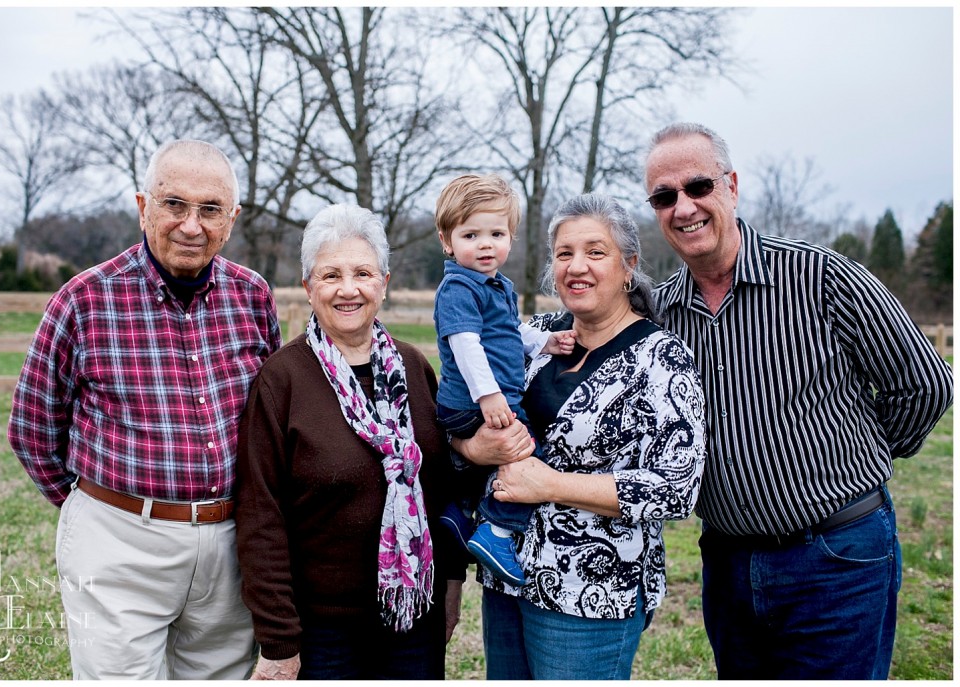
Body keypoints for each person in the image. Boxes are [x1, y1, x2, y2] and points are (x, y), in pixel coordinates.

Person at [643, 121, 954, 679]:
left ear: (731, 186)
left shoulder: (822, 276)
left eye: (698, 187)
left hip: (837, 558)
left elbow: (925, 383)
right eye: (664, 197)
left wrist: (861, 457)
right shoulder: (662, 314)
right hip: (728, 564)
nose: (683, 207)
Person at [7, 139, 282, 679]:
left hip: (230, 544)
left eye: (210, 209)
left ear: (233, 219)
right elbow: (32, 430)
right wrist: (100, 513)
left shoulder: (253, 296)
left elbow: (271, 416)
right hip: (119, 540)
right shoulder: (85, 299)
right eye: (174, 203)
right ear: (142, 206)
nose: (191, 225)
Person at [453, 193, 707, 680]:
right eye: (564, 253)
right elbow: (465, 405)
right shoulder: (535, 336)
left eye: (595, 252)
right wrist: (470, 447)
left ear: (629, 265)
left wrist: (549, 485)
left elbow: (676, 487)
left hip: (590, 592)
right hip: (507, 578)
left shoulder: (661, 359)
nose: (577, 267)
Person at [235, 203, 468, 680]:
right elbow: (261, 515)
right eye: (330, 275)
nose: (348, 289)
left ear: (383, 281)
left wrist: (450, 584)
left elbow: (442, 489)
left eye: (362, 272)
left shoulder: (415, 370)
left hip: (414, 616)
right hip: (322, 631)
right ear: (307, 287)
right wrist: (279, 639)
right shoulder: (283, 380)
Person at [432, 173, 574, 586]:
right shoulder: (459, 286)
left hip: (485, 401)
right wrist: (490, 396)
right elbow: (466, 345)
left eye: (496, 233)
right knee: (530, 456)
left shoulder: (498, 286)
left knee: (491, 465)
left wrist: (545, 341)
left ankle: (456, 514)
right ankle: (496, 532)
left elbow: (510, 330)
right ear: (447, 240)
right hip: (474, 403)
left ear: (511, 237)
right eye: (471, 234)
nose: (485, 244)